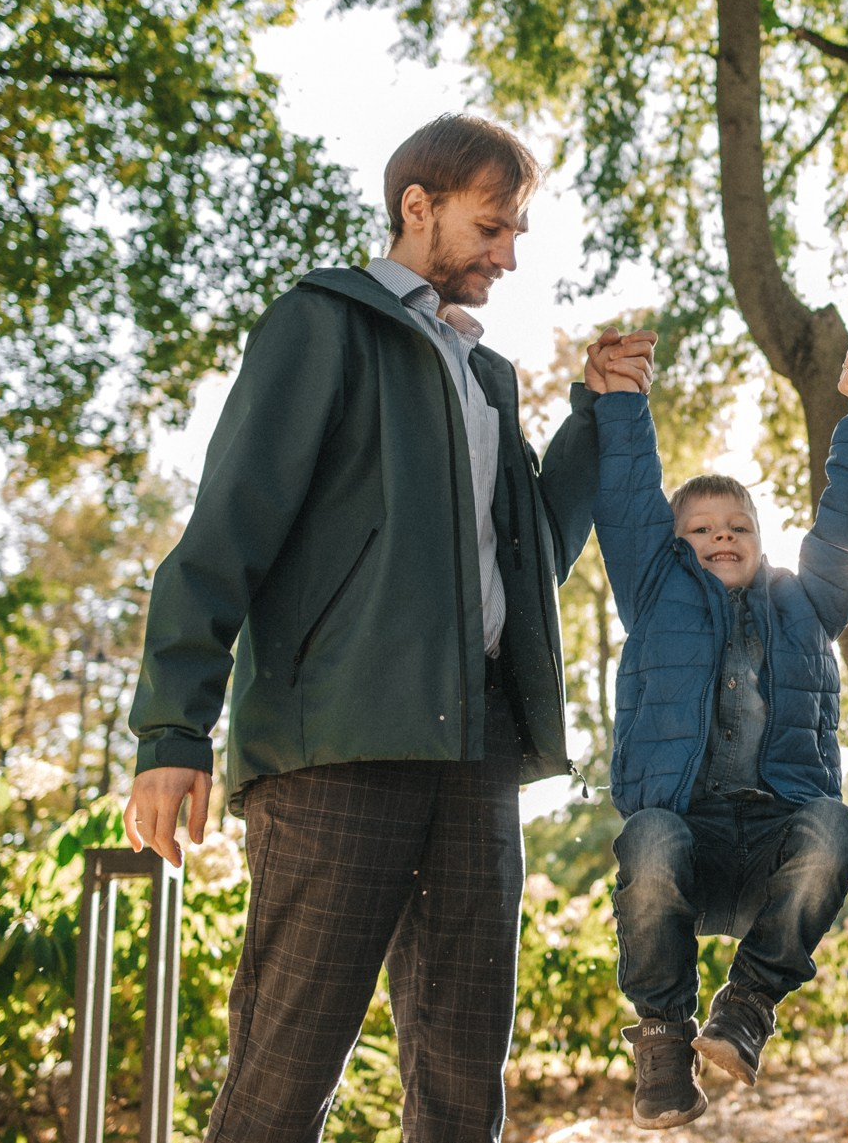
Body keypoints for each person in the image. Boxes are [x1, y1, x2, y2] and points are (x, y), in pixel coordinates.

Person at [122, 113, 657, 1143]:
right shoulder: (323, 323)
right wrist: (171, 731)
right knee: (282, 1081)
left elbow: (528, 561)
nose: (509, 253)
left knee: (462, 1094)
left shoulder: (485, 376)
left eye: (515, 233)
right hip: (340, 748)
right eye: (492, 227)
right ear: (418, 208)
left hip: (478, 754)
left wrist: (593, 418)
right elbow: (229, 523)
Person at [590, 353, 848, 1129]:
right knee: (648, 837)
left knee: (837, 827)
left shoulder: (806, 602)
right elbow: (627, 503)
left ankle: (748, 1005)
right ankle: (663, 1041)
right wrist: (624, 400)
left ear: (761, 538)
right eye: (697, 529)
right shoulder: (654, 594)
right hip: (685, 834)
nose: (720, 536)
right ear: (671, 545)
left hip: (771, 838)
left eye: (738, 526)